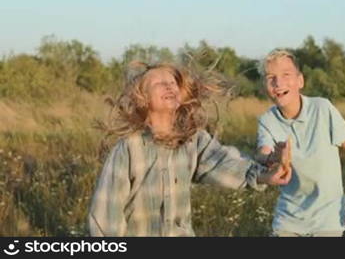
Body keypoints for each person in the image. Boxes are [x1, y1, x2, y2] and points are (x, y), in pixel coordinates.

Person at [88, 61, 291, 237]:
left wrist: (265, 175)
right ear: (143, 97)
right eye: (159, 83)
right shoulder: (129, 147)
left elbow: (223, 164)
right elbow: (106, 215)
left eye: (172, 82)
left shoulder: (193, 140)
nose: (169, 86)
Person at [256, 49, 345, 237]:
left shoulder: (323, 108)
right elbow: (262, 154)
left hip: (328, 217)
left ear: (300, 81)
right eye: (270, 77)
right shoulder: (267, 120)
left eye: (286, 74)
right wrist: (275, 156)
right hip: (289, 218)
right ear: (265, 86)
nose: (278, 82)